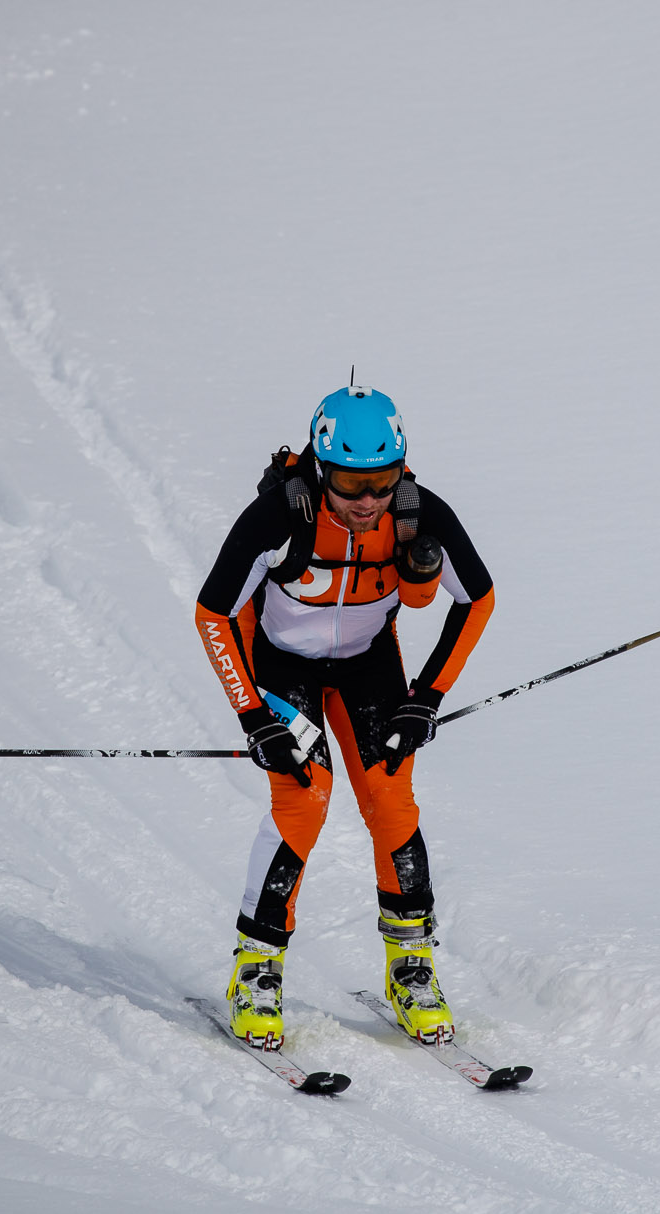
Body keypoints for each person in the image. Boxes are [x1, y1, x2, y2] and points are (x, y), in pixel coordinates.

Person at [194, 382, 494, 1048]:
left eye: (383, 482)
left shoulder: (417, 513)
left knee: (390, 799)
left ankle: (411, 967)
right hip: (282, 665)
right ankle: (256, 971)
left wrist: (428, 697)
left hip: (367, 664)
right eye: (353, 485)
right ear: (322, 469)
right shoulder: (279, 517)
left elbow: (478, 598)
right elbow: (214, 613)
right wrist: (252, 715)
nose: (368, 502)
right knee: (304, 799)